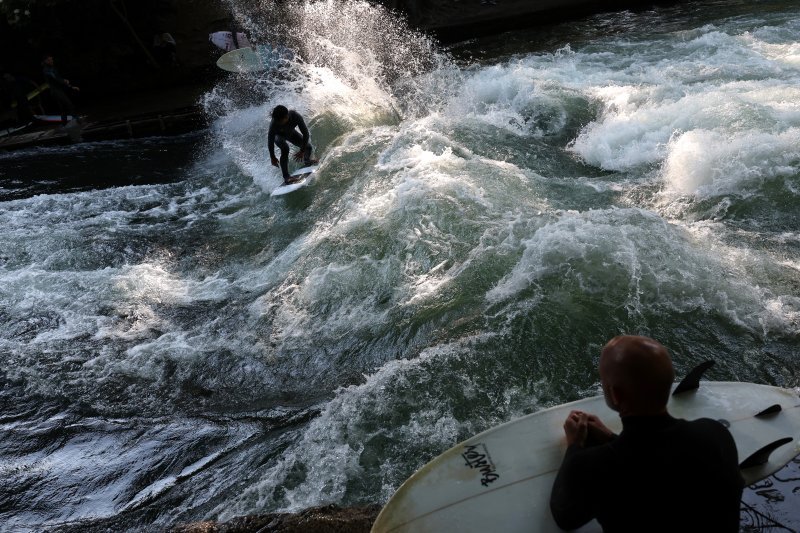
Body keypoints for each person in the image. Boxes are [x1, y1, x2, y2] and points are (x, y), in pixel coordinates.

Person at [550, 335, 744, 532]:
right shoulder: (716, 435)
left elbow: (565, 517)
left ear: (616, 395)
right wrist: (610, 438)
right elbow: (658, 463)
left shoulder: (599, 467)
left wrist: (574, 446)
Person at [267, 105, 318, 184]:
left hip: (291, 133)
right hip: (279, 137)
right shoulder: (274, 123)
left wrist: (302, 151)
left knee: (308, 147)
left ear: (286, 116)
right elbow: (270, 141)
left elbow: (305, 133)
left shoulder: (295, 116)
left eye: (280, 121)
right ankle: (286, 177)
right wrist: (272, 157)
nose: (278, 123)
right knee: (285, 149)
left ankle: (307, 160)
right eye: (277, 120)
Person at [41, 54, 79, 125]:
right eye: (50, 60)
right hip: (55, 91)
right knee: (69, 105)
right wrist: (66, 83)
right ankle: (77, 121)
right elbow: (56, 79)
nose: (52, 61)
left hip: (58, 90)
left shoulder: (52, 68)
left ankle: (65, 124)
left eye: (52, 59)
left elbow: (58, 78)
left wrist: (68, 84)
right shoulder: (46, 70)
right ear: (46, 61)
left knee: (63, 109)